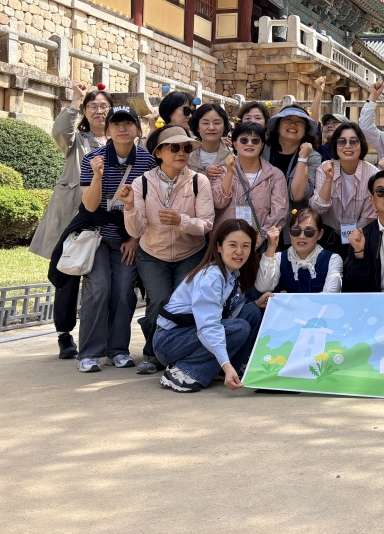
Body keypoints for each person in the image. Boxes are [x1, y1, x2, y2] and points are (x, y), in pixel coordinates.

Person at [124, 125, 215, 374]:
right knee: (159, 302)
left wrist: (181, 221)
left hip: (191, 253)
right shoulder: (142, 182)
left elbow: (206, 225)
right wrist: (130, 206)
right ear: (159, 152)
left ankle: (178, 354)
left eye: (186, 148)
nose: (181, 152)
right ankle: (152, 354)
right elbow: (136, 230)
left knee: (183, 305)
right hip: (152, 254)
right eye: (174, 147)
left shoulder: (199, 181)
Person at [31, 82, 111, 359]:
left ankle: (101, 334)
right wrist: (75, 101)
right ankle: (64, 334)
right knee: (67, 274)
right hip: (74, 217)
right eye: (93, 106)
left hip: (107, 219)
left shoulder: (123, 142)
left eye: (104, 106)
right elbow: (60, 130)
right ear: (85, 112)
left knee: (102, 280)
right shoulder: (77, 142)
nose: (99, 111)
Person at [75, 105, 155, 373]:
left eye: (128, 123)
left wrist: (134, 239)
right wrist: (97, 175)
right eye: (116, 123)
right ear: (107, 129)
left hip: (128, 238)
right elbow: (89, 205)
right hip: (97, 236)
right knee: (98, 288)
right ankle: (90, 352)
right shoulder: (92, 159)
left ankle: (118, 349)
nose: (123, 128)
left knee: (123, 291)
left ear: (137, 129)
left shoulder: (147, 161)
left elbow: (149, 204)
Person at [153, 218, 267, 393]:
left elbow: (228, 312)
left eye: (245, 246)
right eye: (232, 245)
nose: (239, 251)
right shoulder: (211, 277)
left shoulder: (233, 273)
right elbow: (208, 326)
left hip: (189, 336)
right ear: (219, 247)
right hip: (170, 341)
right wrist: (226, 364)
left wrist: (257, 304)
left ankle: (223, 370)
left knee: (252, 312)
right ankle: (183, 371)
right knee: (239, 328)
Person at [211, 121, 288, 243]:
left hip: (260, 242)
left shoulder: (275, 175)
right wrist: (229, 174)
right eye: (244, 140)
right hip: (225, 242)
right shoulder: (221, 171)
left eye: (255, 140)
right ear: (235, 144)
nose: (249, 144)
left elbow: (279, 212)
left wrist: (260, 237)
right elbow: (218, 202)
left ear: (262, 145)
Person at [309, 122, 377, 254]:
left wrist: (353, 240)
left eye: (353, 141)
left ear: (361, 145)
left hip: (360, 236)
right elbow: (317, 209)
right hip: (328, 237)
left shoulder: (372, 174)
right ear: (335, 145)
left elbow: (368, 216)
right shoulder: (324, 168)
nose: (347, 146)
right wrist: (329, 179)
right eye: (342, 141)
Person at [251, 208, 343, 296]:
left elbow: (330, 296)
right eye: (296, 230)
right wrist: (271, 248)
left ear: (320, 234)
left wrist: (287, 297)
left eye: (309, 231)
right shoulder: (279, 258)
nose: (302, 236)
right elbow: (263, 288)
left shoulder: (333, 259)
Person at [263, 106, 322, 238]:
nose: (293, 124)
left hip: (294, 229)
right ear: (278, 126)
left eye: (299, 122)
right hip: (261, 221)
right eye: (287, 120)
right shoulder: (262, 151)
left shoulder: (313, 157)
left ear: (305, 130)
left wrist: (302, 158)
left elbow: (298, 195)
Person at [187, 102, 233, 176]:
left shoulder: (232, 156)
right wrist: (204, 174)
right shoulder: (186, 154)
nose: (211, 128)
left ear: (224, 127)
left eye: (217, 123)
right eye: (205, 123)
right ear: (197, 127)